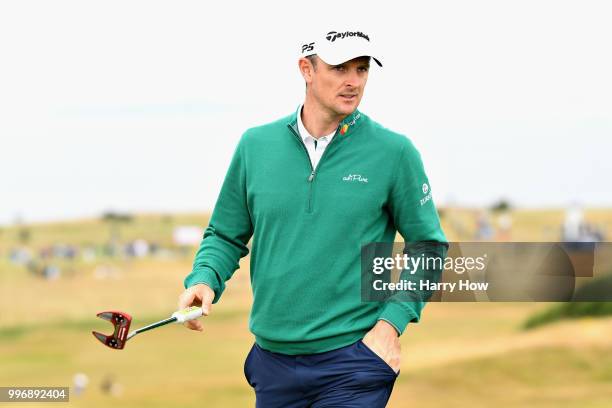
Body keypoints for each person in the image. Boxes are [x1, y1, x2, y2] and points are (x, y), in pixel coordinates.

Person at [178, 29, 448, 407]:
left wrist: (391, 324)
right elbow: (225, 234)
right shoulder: (256, 146)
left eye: (362, 69)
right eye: (339, 68)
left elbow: (429, 247)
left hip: (353, 358)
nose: (353, 81)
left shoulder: (393, 152)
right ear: (306, 69)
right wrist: (204, 279)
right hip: (272, 362)